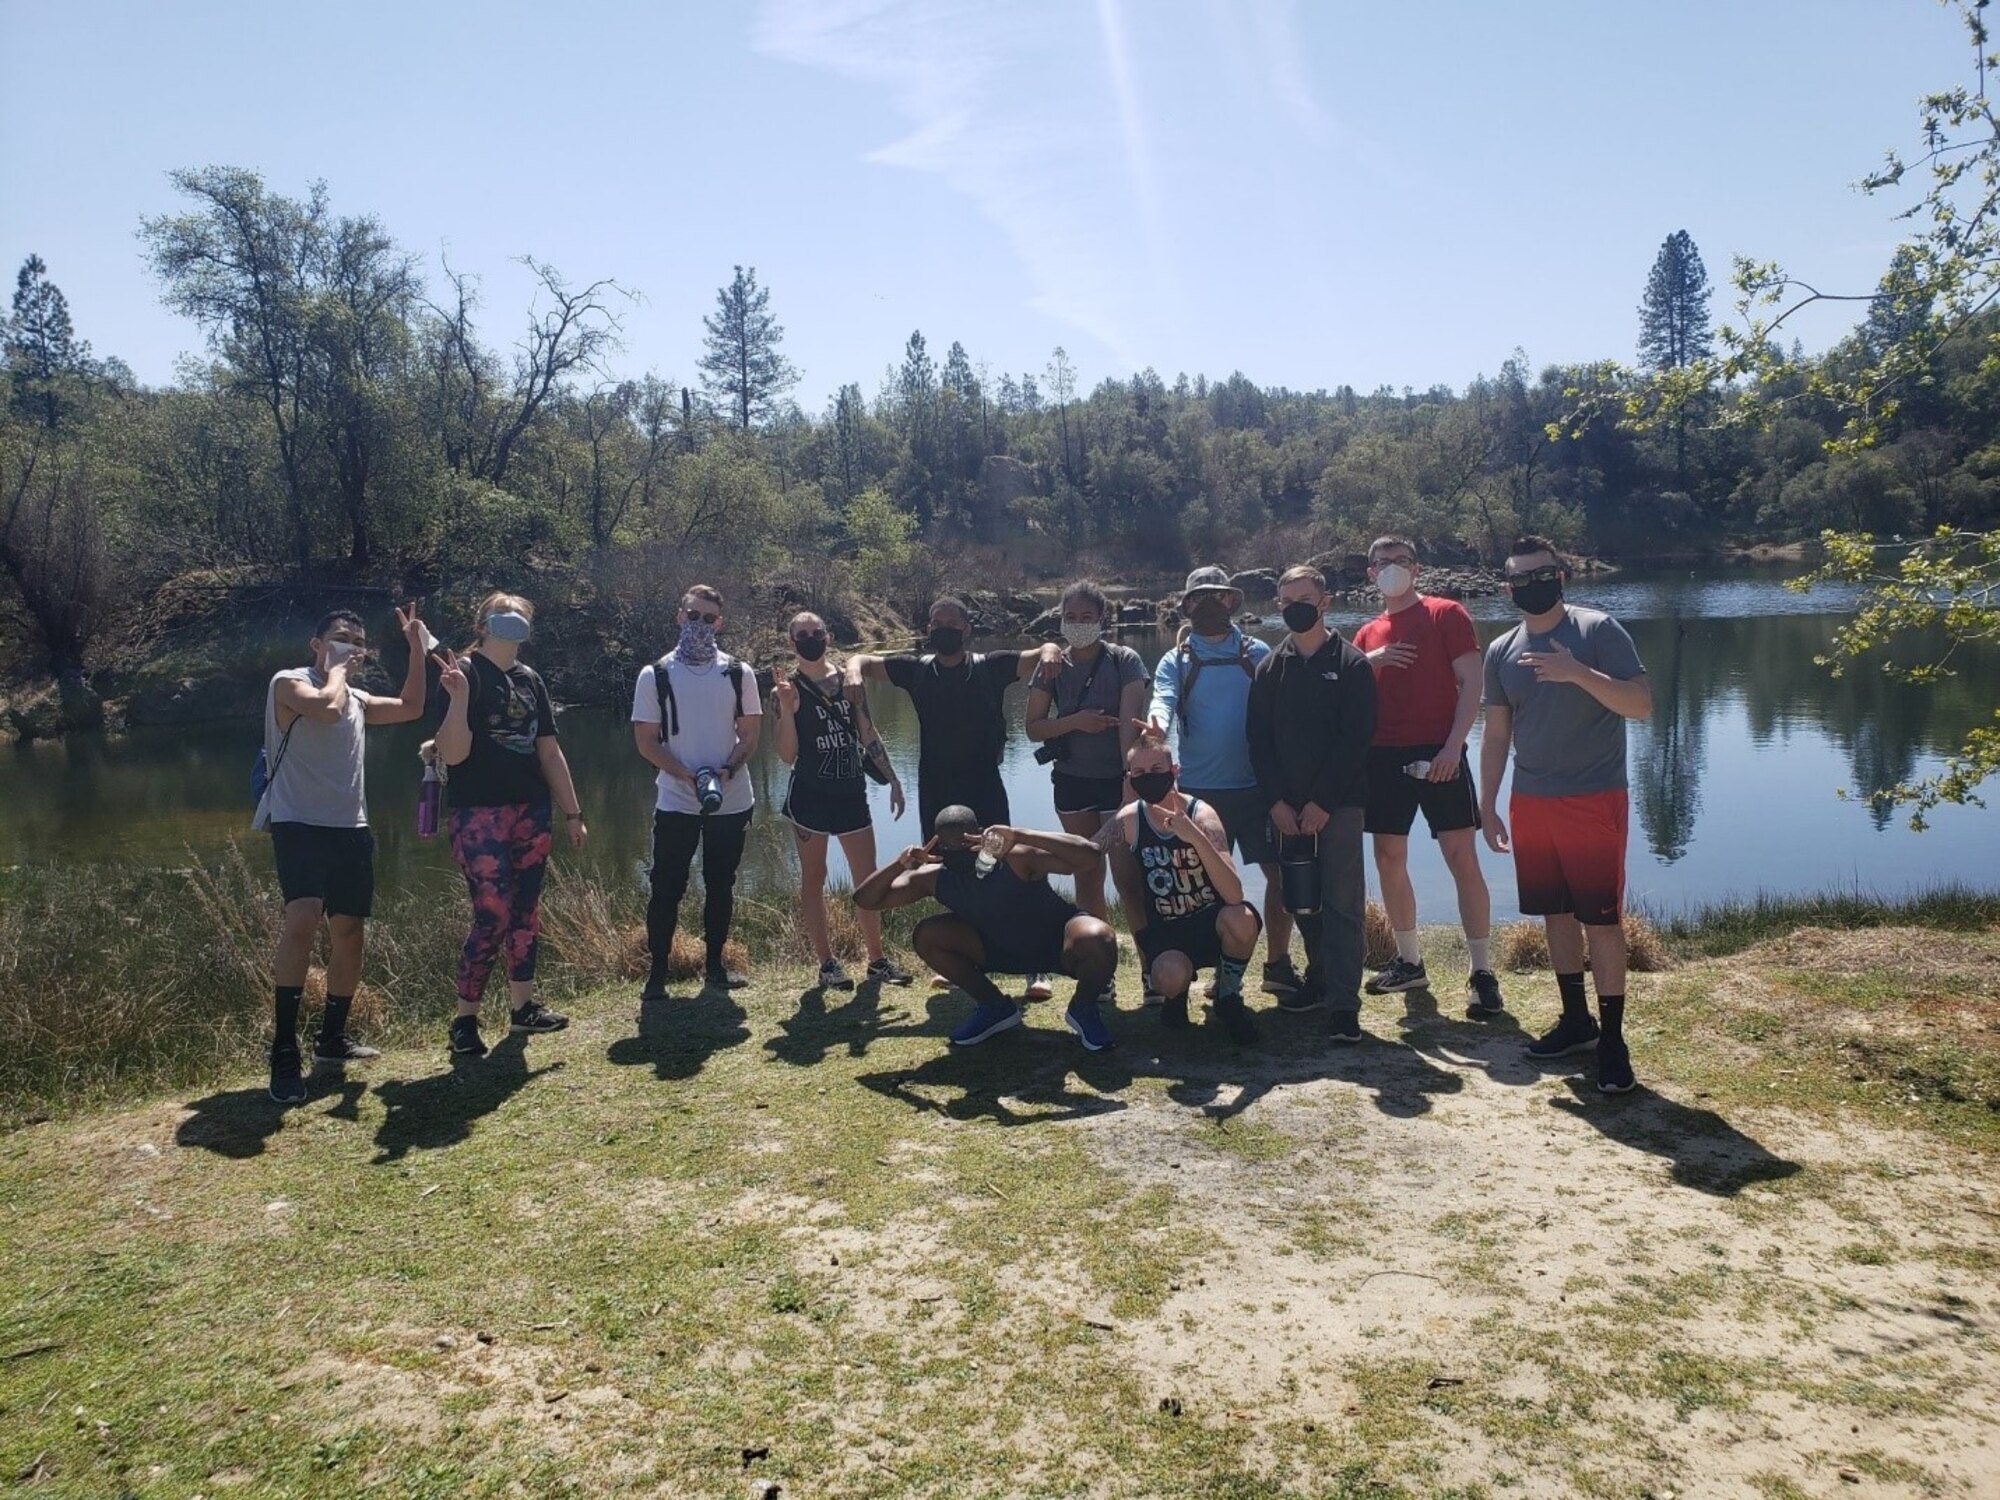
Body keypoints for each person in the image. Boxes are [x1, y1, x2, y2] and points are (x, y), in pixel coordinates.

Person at [1479, 536, 1651, 1093]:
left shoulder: (1598, 631)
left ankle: (1613, 1040)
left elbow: (1640, 705)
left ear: (1561, 575)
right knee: (1555, 915)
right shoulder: (1500, 650)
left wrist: (1578, 673)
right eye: (1520, 579)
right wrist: (1486, 803)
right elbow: (1497, 734)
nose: (1532, 584)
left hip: (1595, 798)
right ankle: (1576, 1020)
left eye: (1542, 574)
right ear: (1507, 589)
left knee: (1600, 920)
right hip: (1530, 803)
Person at [843, 596, 1060, 995]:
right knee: (952, 873)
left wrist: (1049, 650)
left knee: (1007, 867)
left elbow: (1038, 654)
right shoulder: (917, 672)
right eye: (935, 622)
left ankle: (1036, 964)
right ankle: (967, 960)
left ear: (966, 629)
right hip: (937, 790)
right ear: (929, 630)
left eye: (951, 623)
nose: (943, 629)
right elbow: (865, 663)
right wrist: (853, 671)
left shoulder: (990, 667)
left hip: (984, 787)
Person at [259, 603, 431, 1104]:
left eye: (356, 642)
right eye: (338, 637)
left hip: (350, 827)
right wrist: (335, 669)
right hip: (297, 823)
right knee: (303, 918)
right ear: (315, 644)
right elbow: (326, 707)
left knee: (349, 930)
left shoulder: (356, 697)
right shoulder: (287, 683)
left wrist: (416, 650)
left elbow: (412, 706)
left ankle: (331, 1040)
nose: (350, 647)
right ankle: (284, 1050)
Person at [1350, 535, 1504, 1016]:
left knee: (1462, 856)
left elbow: (1472, 681)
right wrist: (1368, 663)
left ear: (1416, 568)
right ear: (1371, 574)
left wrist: (1454, 747)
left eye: (1400, 561)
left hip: (1441, 752)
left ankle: (1482, 971)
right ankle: (1410, 962)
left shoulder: (1446, 613)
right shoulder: (1365, 633)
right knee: (1389, 856)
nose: (1391, 568)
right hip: (1383, 755)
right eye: (1382, 563)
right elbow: (1349, 696)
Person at [433, 592, 588, 1058]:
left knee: (525, 911)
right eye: (504, 616)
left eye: (522, 616)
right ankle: (465, 1020)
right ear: (483, 623)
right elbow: (453, 753)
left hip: (531, 810)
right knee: (492, 913)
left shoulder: (530, 680)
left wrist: (574, 813)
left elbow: (549, 751)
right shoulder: (462, 671)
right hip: (478, 812)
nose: (513, 624)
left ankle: (523, 1010)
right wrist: (459, 700)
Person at [852, 806, 1120, 1050]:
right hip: (995, 951)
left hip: (1057, 946)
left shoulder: (1016, 858)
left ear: (981, 835)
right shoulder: (933, 877)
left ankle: (1083, 1009)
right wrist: (899, 865)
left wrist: (1019, 834)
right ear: (936, 844)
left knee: (1099, 938)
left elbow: (1091, 856)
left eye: (965, 841)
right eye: (947, 845)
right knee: (928, 935)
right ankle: (994, 1007)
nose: (956, 850)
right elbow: (865, 899)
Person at [1150, 566, 1299, 1001]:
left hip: (1260, 789)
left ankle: (1277, 964)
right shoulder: (1175, 660)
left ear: (1234, 601)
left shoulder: (1257, 652)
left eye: (1220, 596)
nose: (1211, 605)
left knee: (1283, 878)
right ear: (1187, 605)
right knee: (1208, 887)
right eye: (1200, 598)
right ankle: (1221, 972)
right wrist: (1156, 729)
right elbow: (1162, 700)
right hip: (1200, 796)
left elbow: (1286, 709)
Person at [1246, 565, 1377, 1042]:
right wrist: (1277, 801)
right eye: (1285, 601)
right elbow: (1258, 742)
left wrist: (1323, 801)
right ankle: (1320, 981)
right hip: (1286, 809)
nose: (1293, 607)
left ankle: (1344, 1007)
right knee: (1302, 899)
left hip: (1339, 806)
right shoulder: (1269, 668)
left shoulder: (1352, 665)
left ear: (1324, 602)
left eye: (1303, 598)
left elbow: (1355, 741)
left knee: (1342, 906)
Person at [631, 585, 763, 1001]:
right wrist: (685, 776)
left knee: (720, 884)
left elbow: (751, 734)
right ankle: (656, 975)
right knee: (666, 886)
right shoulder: (657, 674)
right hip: (676, 800)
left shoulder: (739, 672)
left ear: (719, 623)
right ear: (679, 616)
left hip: (732, 799)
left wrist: (727, 770)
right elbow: (646, 742)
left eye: (708, 619)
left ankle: (715, 968)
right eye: (693, 616)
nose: (699, 625)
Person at [772, 610, 913, 990]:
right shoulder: (787, 689)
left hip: (851, 792)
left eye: (816, 632)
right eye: (802, 634)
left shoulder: (849, 681)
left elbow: (867, 732)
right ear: (791, 642)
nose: (810, 639)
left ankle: (877, 961)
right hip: (810, 798)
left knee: (867, 879)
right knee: (814, 878)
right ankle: (827, 964)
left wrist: (894, 779)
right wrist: (786, 709)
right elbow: (786, 755)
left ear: (829, 637)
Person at [1102, 731, 1263, 1043]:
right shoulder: (1129, 819)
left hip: (1211, 922)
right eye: (1140, 774)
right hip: (1168, 931)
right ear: (1130, 778)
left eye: (1158, 771)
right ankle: (1176, 998)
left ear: (1175, 771)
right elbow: (1087, 850)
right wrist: (1022, 842)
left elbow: (1234, 894)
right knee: (1170, 977)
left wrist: (1194, 837)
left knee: (1241, 919)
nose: (1149, 779)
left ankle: (1228, 997)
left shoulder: (1201, 815)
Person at [1022, 579, 1147, 920]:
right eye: (1071, 616)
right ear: (1061, 618)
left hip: (1116, 782)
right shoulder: (1050, 666)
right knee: (1087, 875)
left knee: (1128, 879)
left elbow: (1131, 724)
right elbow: (1033, 728)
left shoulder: (1125, 660)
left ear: (1102, 618)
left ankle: (1149, 965)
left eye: (1086, 616)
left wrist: (1129, 780)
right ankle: (1099, 962)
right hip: (1071, 781)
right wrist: (1076, 721)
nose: (1078, 623)